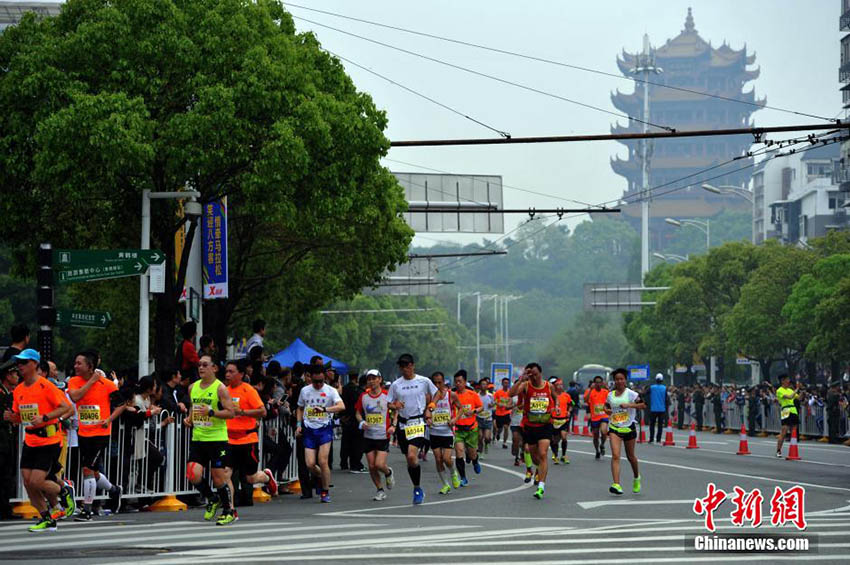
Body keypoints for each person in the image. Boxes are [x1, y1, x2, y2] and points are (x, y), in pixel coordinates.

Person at [9, 349, 76, 531]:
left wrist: (45, 418)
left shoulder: (46, 386)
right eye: (19, 363)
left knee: (37, 481)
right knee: (27, 481)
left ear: (35, 364)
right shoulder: (19, 390)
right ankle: (46, 518)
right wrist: (12, 417)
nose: (20, 366)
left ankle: (64, 491)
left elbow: (65, 407)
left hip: (49, 439)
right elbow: (20, 417)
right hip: (30, 440)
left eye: (24, 362)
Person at [67, 351, 124, 521]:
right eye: (75, 363)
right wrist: (91, 381)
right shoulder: (74, 381)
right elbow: (75, 397)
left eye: (79, 363)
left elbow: (122, 404)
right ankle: (114, 490)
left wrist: (109, 419)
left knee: (87, 470)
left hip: (100, 434)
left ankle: (87, 510)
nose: (76, 366)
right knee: (94, 472)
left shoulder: (107, 384)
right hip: (83, 432)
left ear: (90, 366)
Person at [184, 354, 238, 525]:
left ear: (214, 368)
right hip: (198, 438)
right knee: (193, 474)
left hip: (217, 439)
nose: (201, 368)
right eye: (199, 365)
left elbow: (231, 413)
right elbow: (193, 407)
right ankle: (212, 498)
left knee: (218, 477)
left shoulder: (220, 388)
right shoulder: (192, 387)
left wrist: (212, 412)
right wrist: (189, 419)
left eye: (205, 365)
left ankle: (228, 511)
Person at [224, 360, 276, 506]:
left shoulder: (248, 390)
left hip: (247, 439)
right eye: (226, 371)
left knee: (250, 478)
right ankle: (230, 508)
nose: (227, 374)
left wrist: (242, 412)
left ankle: (266, 477)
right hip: (228, 439)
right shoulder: (224, 391)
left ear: (241, 374)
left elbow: (262, 411)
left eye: (231, 371)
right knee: (226, 473)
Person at [387, 353, 436, 505]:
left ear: (412, 365)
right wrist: (395, 405)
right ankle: (416, 486)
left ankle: (417, 490)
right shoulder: (396, 385)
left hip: (418, 422)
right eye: (401, 366)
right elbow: (388, 403)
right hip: (403, 424)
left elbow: (437, 393)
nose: (404, 368)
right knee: (410, 460)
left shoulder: (423, 381)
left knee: (411, 456)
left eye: (407, 365)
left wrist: (430, 407)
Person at [296, 363, 345, 503]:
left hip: (324, 429)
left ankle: (325, 491)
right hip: (309, 429)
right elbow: (300, 408)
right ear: (310, 378)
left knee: (323, 461)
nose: (318, 384)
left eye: (321, 381)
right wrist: (298, 425)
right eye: (315, 381)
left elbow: (342, 406)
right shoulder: (305, 390)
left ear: (325, 378)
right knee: (310, 464)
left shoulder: (330, 391)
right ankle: (322, 477)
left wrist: (325, 409)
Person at [509, 363, 553, 500]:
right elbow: (510, 394)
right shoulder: (526, 385)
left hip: (545, 425)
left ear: (540, 373)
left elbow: (556, 398)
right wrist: (521, 379)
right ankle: (538, 469)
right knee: (535, 458)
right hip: (530, 426)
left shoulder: (548, 386)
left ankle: (541, 486)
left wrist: (556, 407)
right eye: (531, 374)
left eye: (535, 374)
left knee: (543, 453)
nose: (533, 377)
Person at [604, 368, 646, 495]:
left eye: (621, 379)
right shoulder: (610, 395)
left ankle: (636, 477)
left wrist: (629, 405)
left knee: (630, 456)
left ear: (625, 380)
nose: (619, 381)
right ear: (614, 381)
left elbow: (643, 405)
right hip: (614, 428)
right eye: (617, 379)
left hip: (628, 427)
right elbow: (606, 406)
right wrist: (607, 410)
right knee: (615, 455)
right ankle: (616, 484)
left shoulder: (631, 394)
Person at [355, 369, 394, 501]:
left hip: (383, 435)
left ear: (380, 380)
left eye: (374, 378)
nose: (371, 381)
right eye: (369, 379)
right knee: (371, 466)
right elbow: (357, 412)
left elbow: (396, 410)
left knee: (379, 464)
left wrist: (393, 425)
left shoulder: (387, 395)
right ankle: (380, 490)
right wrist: (361, 422)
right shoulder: (363, 396)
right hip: (368, 436)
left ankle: (388, 472)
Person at [429, 371, 461, 494]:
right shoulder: (430, 396)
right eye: (435, 383)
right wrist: (428, 418)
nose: (437, 385)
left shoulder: (451, 394)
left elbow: (461, 408)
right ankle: (445, 485)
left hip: (447, 432)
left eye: (439, 382)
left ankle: (453, 473)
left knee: (447, 458)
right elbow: (427, 410)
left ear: (444, 382)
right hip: (434, 432)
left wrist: (455, 419)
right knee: (438, 459)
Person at [451, 370, 482, 487]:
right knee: (459, 452)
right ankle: (463, 478)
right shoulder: (452, 395)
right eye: (456, 382)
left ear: (465, 382)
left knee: (472, 453)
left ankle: (475, 461)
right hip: (458, 429)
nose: (457, 384)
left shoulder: (472, 394)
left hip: (471, 429)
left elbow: (481, 407)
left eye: (460, 381)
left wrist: (473, 411)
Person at [0, 359, 20, 520]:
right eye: (14, 374)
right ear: (7, 376)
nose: (17, 377)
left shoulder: (9, 393)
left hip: (7, 439)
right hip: (1, 440)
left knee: (7, 475)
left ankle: (5, 509)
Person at [340, 373, 366, 472]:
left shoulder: (344, 388)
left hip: (346, 419)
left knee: (346, 442)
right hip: (355, 420)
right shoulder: (359, 392)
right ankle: (355, 464)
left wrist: (343, 416)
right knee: (357, 443)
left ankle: (344, 463)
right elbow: (356, 407)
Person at [775, 374, 801, 457]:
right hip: (785, 410)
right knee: (784, 431)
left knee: (794, 431)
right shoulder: (780, 390)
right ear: (782, 381)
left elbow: (798, 398)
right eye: (787, 379)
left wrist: (802, 392)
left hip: (793, 410)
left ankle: (793, 450)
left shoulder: (790, 390)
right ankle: (778, 450)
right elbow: (789, 397)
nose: (788, 381)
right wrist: (796, 389)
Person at [550, 378, 572, 465]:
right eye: (557, 385)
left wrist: (569, 411)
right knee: (554, 441)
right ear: (554, 387)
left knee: (564, 437)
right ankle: (555, 455)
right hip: (553, 420)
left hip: (564, 420)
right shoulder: (551, 396)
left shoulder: (566, 395)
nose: (560, 386)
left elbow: (571, 404)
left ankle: (563, 455)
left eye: (561, 385)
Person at [586, 376, 609, 458]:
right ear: (594, 383)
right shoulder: (591, 392)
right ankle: (597, 451)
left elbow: (612, 398)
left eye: (600, 382)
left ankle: (602, 444)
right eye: (597, 382)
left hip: (604, 415)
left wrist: (608, 388)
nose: (598, 384)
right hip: (594, 417)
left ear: (602, 383)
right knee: (595, 435)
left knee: (604, 431)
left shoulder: (605, 391)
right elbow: (586, 400)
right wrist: (590, 390)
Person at [476, 377, 495, 455]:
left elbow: (493, 405)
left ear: (487, 386)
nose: (483, 386)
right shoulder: (476, 395)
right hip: (479, 418)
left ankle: (486, 444)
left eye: (485, 384)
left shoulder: (490, 395)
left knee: (487, 438)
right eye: (482, 384)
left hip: (488, 419)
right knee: (480, 437)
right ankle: (480, 452)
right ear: (479, 386)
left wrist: (492, 405)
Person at [493, 378, 512, 449]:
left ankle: (504, 442)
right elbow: (494, 400)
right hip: (499, 413)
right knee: (499, 428)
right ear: (502, 383)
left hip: (507, 413)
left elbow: (511, 400)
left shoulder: (510, 392)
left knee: (506, 427)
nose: (506, 384)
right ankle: (497, 433)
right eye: (504, 383)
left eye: (507, 383)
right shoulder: (498, 392)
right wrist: (498, 404)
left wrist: (508, 405)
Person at [648, 374, 667, 443]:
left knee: (652, 425)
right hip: (662, 409)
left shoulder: (652, 387)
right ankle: (658, 439)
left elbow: (646, 394)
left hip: (653, 409)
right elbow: (666, 399)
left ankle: (651, 438)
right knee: (660, 425)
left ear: (656, 380)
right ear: (662, 380)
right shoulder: (664, 388)